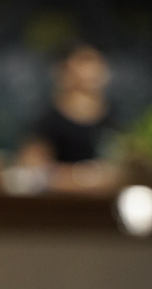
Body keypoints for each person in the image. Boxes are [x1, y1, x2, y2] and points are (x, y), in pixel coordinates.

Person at [17, 42, 122, 192]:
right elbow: (31, 170)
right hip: (59, 205)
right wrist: (83, 178)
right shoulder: (46, 120)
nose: (93, 70)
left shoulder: (113, 118)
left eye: (98, 62)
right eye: (85, 61)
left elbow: (122, 168)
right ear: (64, 70)